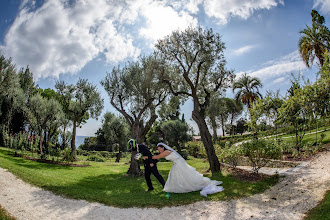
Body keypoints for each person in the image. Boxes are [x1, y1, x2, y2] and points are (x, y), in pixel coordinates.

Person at [145, 142, 224, 197]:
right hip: (177, 163)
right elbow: (157, 157)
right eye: (158, 149)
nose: (159, 150)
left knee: (183, 175)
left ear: (163, 147)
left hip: (179, 163)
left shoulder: (166, 152)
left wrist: (145, 157)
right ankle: (177, 187)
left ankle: (185, 186)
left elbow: (156, 157)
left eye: (160, 149)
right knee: (176, 176)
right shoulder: (166, 151)